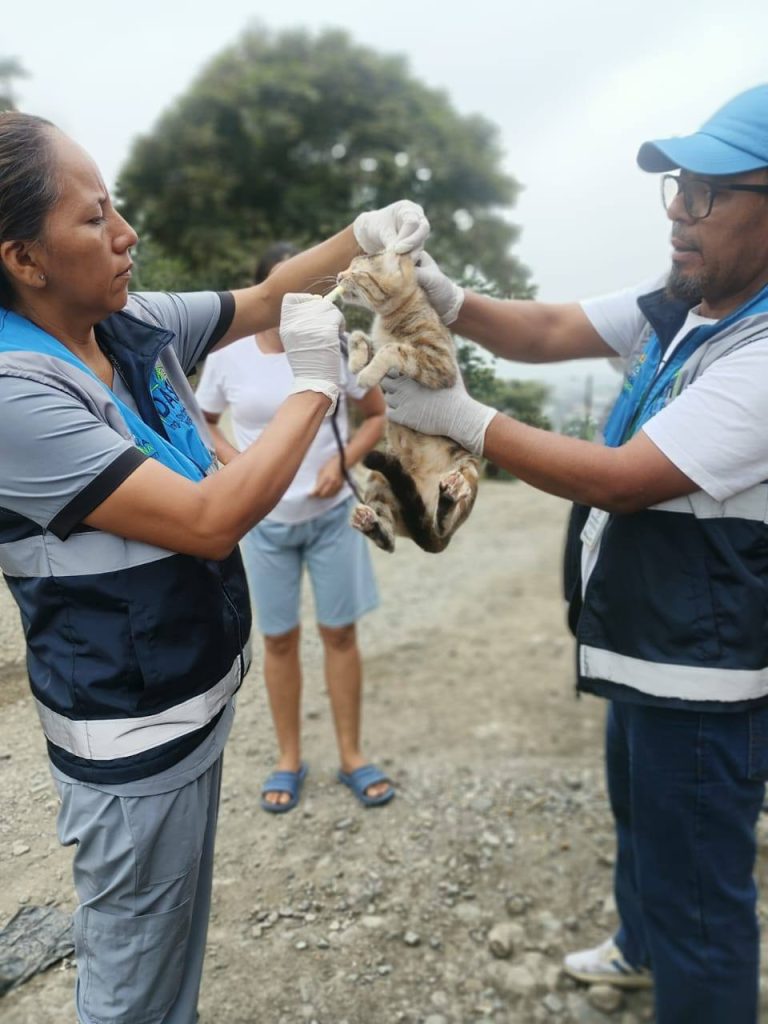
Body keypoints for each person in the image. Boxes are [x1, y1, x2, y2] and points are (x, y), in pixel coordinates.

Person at [0, 110, 427, 1024]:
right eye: (93, 219)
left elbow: (265, 298)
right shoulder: (15, 392)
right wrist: (316, 389)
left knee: (165, 967)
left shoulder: (123, 325)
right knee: (134, 983)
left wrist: (361, 237)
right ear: (23, 259)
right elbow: (209, 519)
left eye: (116, 207)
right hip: (129, 735)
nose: (126, 235)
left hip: (187, 702)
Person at [378, 84, 768, 1024]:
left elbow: (624, 478)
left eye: (710, 192)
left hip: (702, 674)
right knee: (644, 829)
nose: (679, 209)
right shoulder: (689, 306)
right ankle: (639, 950)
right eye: (677, 185)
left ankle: (685, 976)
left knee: (702, 905)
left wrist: (459, 419)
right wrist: (448, 298)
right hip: (647, 644)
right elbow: (551, 329)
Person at [196, 241, 393, 812]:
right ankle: (288, 758)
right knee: (279, 641)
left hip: (332, 517)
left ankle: (352, 755)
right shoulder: (229, 352)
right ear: (264, 294)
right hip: (263, 522)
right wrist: (239, 465)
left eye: (313, 291)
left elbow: (375, 416)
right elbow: (202, 419)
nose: (303, 302)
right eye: (287, 291)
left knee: (340, 633)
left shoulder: (336, 345)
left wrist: (341, 461)